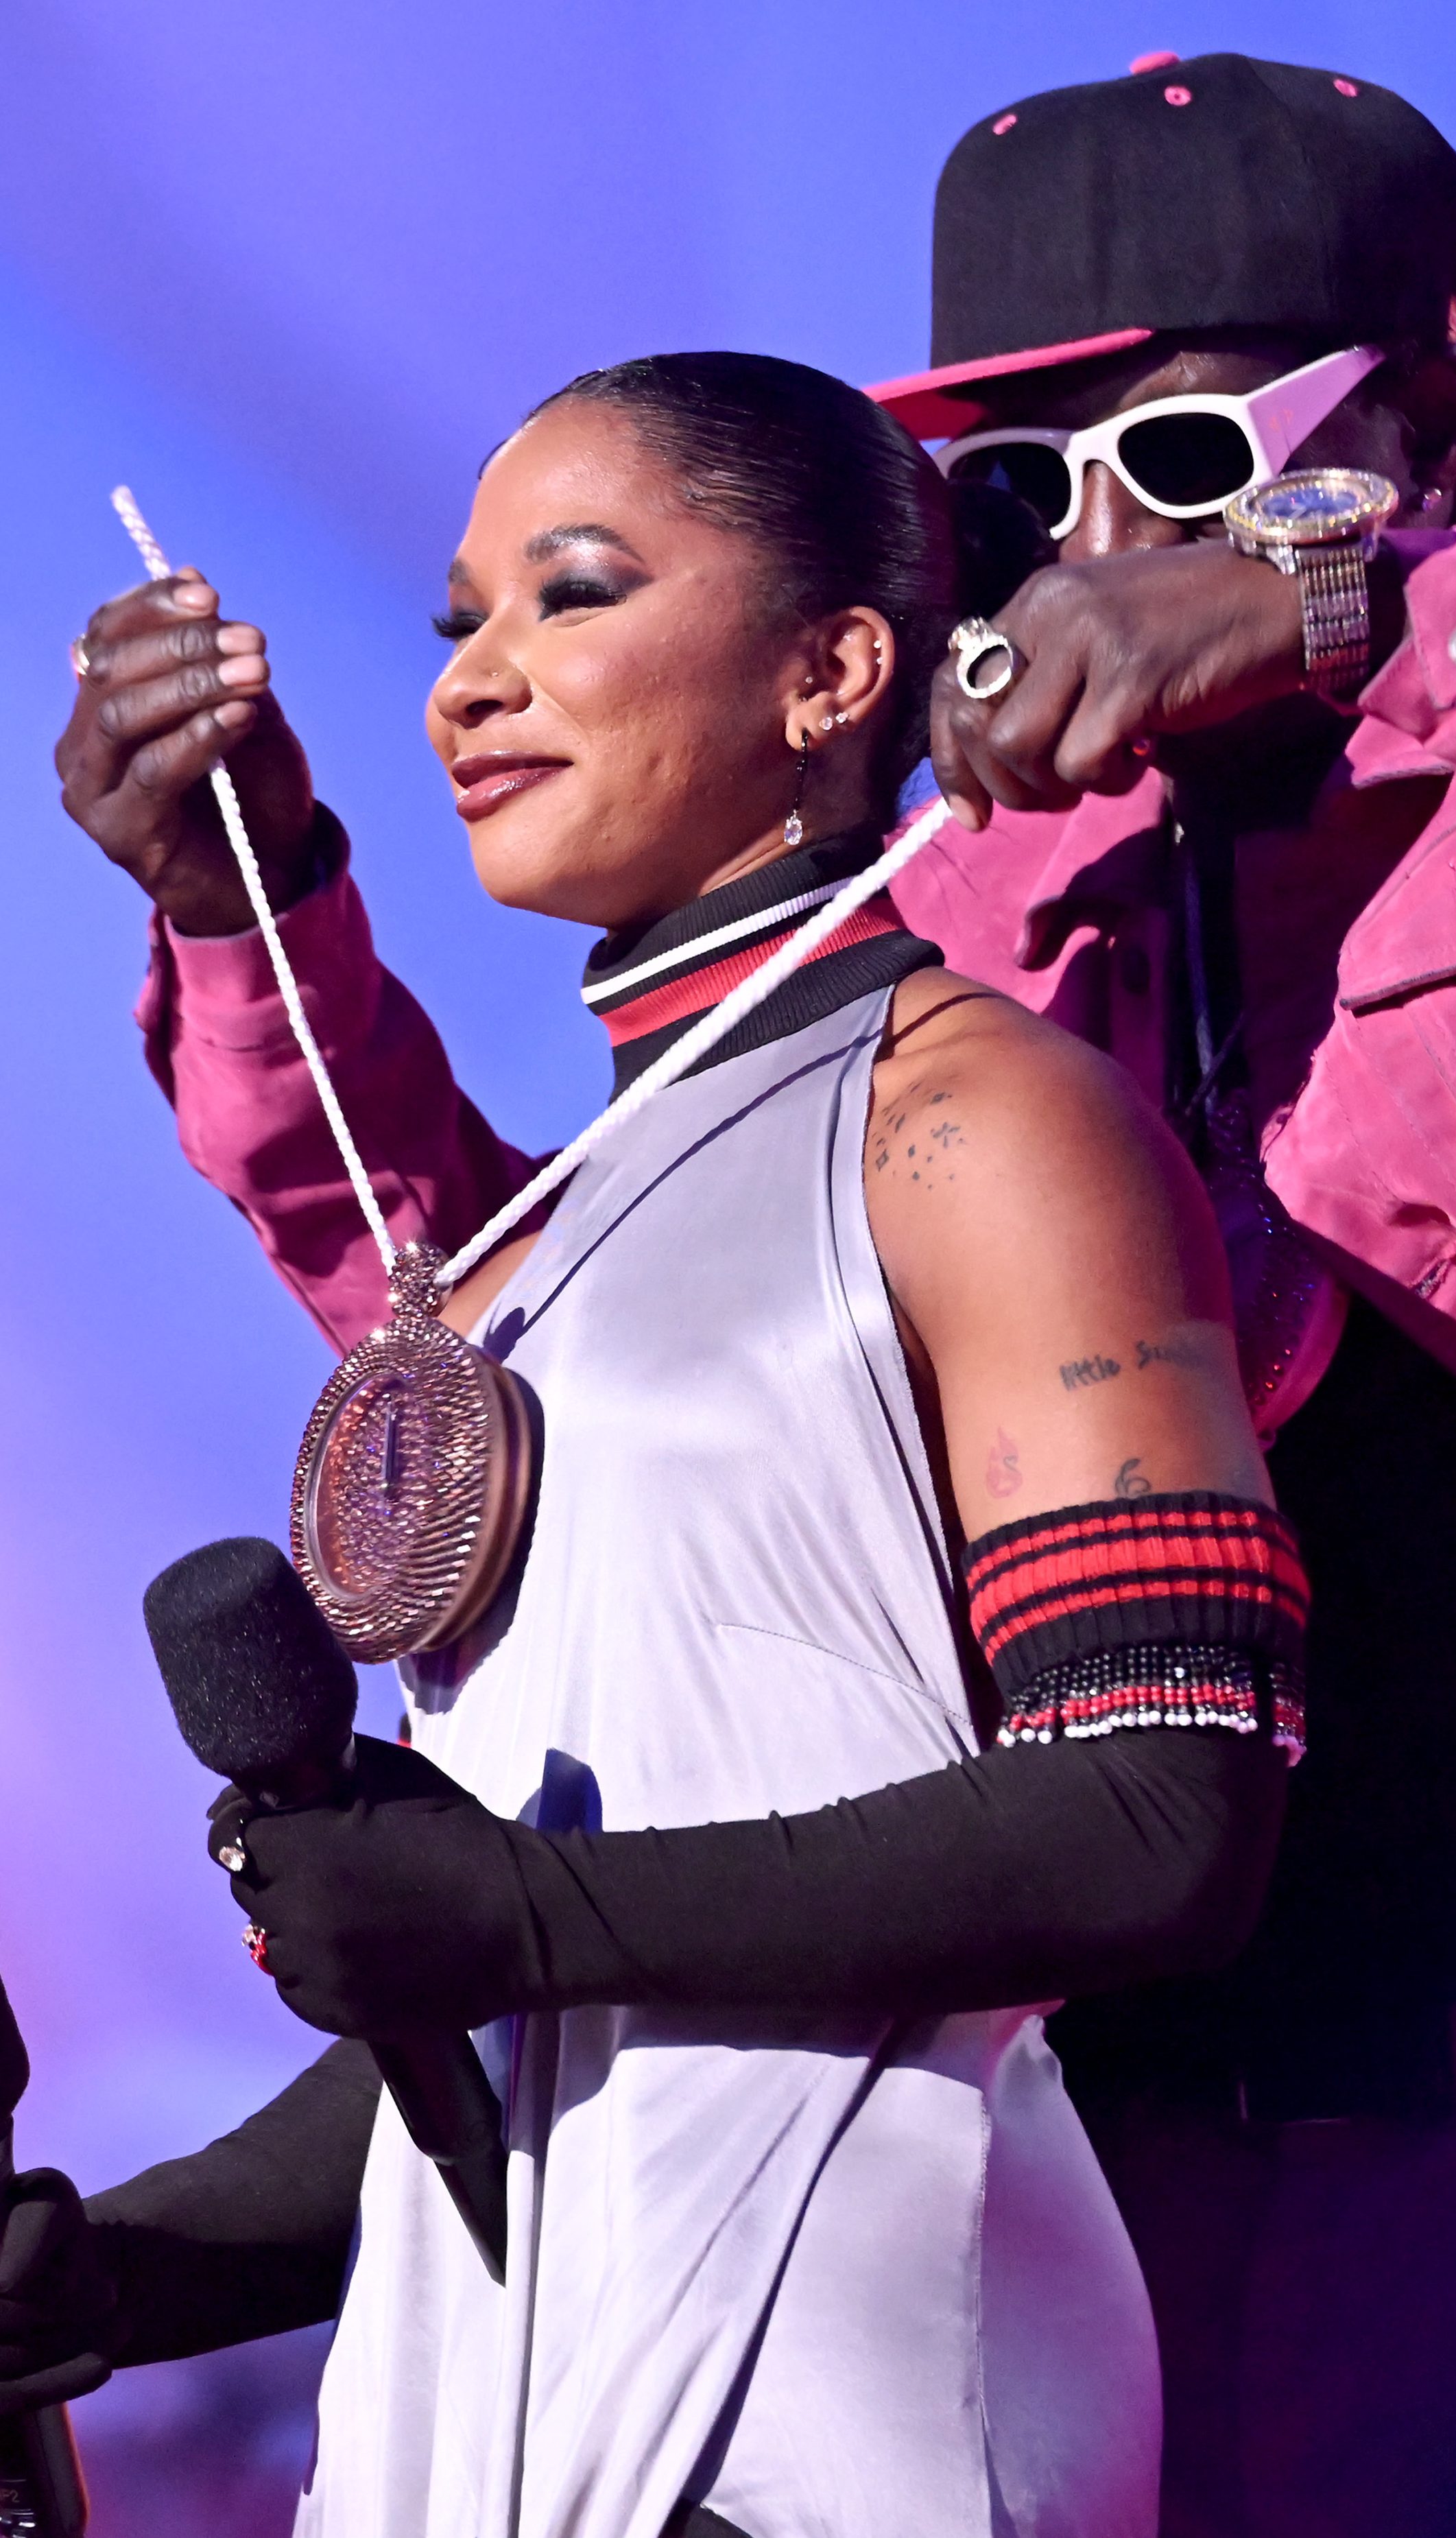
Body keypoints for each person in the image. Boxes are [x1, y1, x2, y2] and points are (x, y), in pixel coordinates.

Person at [42, 47, 1456, 2538]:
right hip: (1130, 2164)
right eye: (1011, 492)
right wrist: (256, 921)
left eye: (1191, 459)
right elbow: (542, 1339)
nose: (1094, 539)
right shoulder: (972, 925)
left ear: (1428, 414)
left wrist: (1369, 591)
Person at [4, 351, 1314, 2538]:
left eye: (572, 595)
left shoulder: (969, 1115)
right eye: (456, 627)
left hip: (846, 2406)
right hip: (501, 2431)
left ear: (833, 668)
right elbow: (551, 2025)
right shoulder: (563, 1228)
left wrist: (515, 1910)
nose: (471, 687)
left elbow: (1168, 1811)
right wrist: (114, 2275)